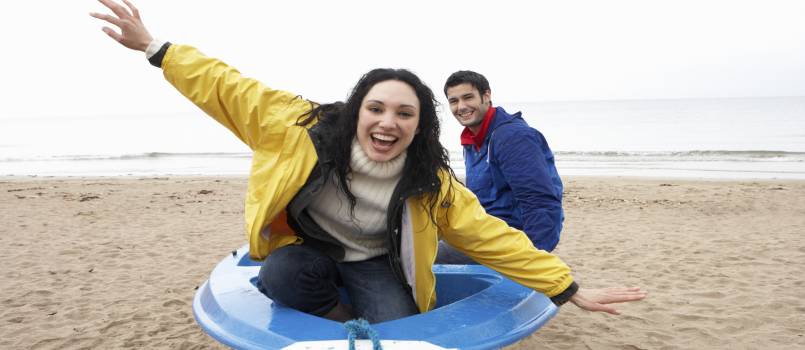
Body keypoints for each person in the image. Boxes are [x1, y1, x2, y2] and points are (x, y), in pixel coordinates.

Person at [91, 0, 646, 324]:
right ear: (357, 110)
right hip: (309, 249)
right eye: (376, 107)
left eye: (405, 113)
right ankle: (334, 315)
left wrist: (569, 289)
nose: (388, 121)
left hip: (375, 261)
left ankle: (359, 306)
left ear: (420, 126)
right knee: (281, 274)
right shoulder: (295, 126)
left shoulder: (431, 182)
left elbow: (489, 235)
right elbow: (226, 87)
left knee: (402, 330)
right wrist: (156, 48)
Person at [437, 71, 564, 264]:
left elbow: (540, 203)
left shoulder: (512, 137)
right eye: (454, 101)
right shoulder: (472, 140)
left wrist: (532, 260)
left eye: (468, 97)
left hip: (507, 241)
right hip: (482, 230)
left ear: (486, 95)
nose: (461, 107)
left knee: (423, 258)